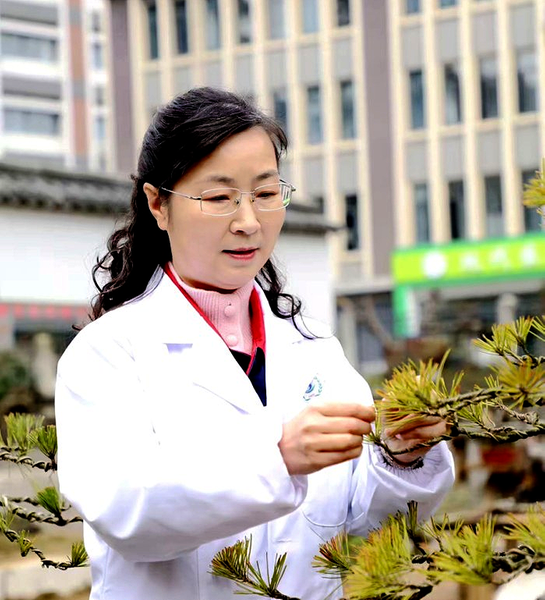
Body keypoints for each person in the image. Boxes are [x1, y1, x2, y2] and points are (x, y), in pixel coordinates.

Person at [55, 87, 455, 600]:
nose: (248, 222)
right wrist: (277, 458)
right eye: (219, 198)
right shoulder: (109, 353)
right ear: (158, 204)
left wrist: (402, 458)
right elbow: (128, 514)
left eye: (265, 194)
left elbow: (363, 521)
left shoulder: (314, 349)